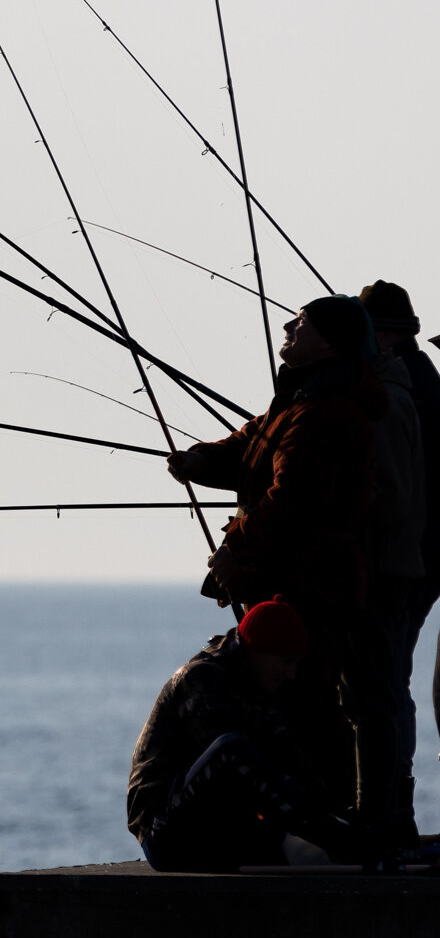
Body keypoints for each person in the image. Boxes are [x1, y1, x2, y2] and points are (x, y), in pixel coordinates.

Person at [167, 295, 386, 810]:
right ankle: (308, 819)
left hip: (312, 584)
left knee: (305, 703)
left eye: (302, 322)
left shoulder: (326, 410)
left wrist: (233, 550)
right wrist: (197, 461)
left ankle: (323, 817)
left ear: (329, 341)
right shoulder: (300, 400)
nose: (288, 326)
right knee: (291, 702)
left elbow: (290, 497)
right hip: (294, 579)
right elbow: (251, 449)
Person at [127, 596, 360, 871]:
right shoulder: (201, 679)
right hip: (165, 832)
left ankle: (346, 838)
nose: (291, 674)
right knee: (231, 749)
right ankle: (334, 838)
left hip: (218, 827)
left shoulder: (257, 684)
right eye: (286, 661)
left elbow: (289, 757)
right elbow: (237, 772)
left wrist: (330, 809)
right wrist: (319, 827)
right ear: (258, 651)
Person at [358, 280, 440, 822]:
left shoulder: (396, 389)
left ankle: (390, 808)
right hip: (425, 555)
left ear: (382, 335)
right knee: (396, 680)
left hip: (409, 558)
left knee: (386, 683)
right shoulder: (422, 380)